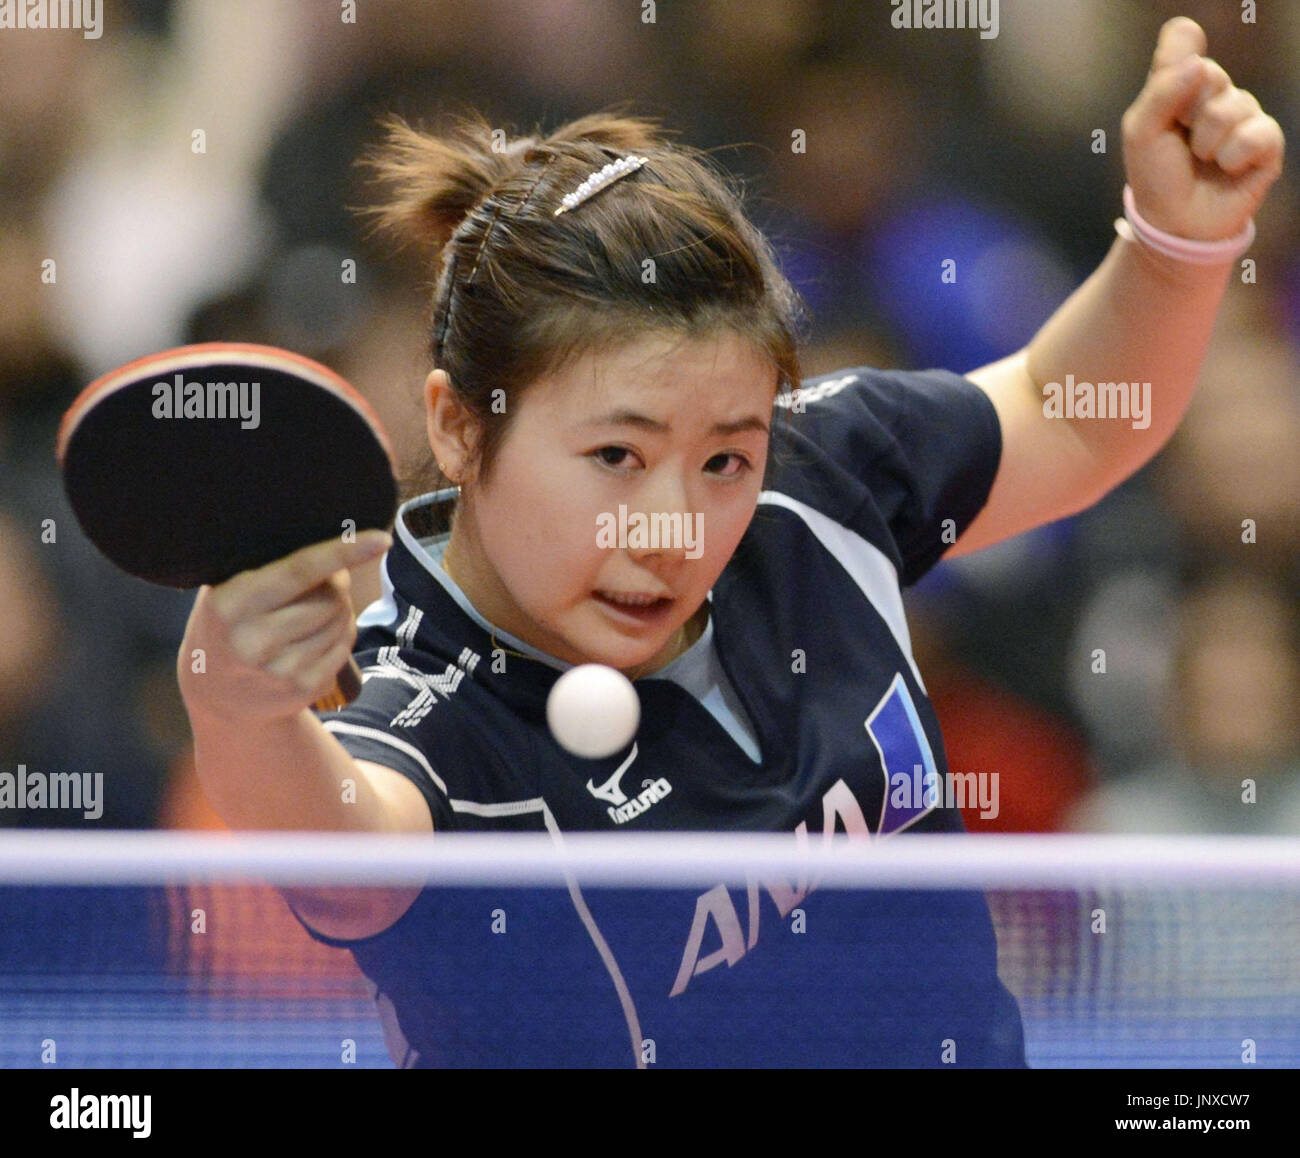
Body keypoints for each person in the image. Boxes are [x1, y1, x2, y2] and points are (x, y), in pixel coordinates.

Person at [178, 18, 1284, 1067]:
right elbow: (344, 859)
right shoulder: (426, 699)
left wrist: (1179, 241)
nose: (675, 524)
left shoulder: (813, 482)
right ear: (460, 425)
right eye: (616, 455)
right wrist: (237, 704)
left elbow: (1069, 411)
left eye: (725, 456)